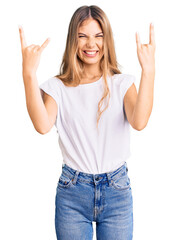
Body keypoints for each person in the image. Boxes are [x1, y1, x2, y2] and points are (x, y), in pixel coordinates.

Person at [19, 4, 155, 240]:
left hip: (117, 190)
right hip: (73, 192)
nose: (91, 44)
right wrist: (29, 74)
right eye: (83, 36)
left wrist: (149, 71)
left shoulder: (122, 84)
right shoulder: (57, 87)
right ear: (73, 40)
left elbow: (140, 121)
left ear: (107, 39)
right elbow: (42, 125)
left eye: (98, 36)